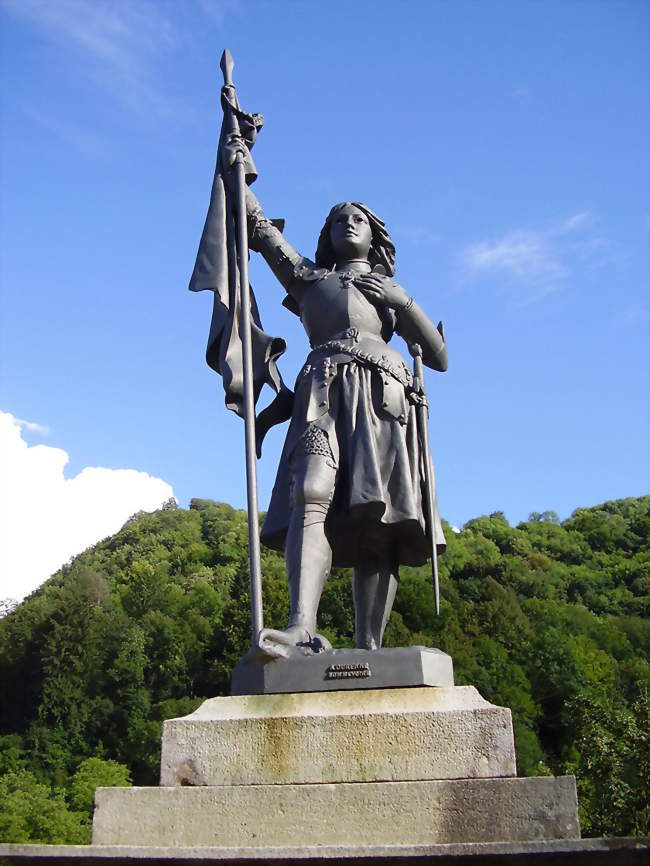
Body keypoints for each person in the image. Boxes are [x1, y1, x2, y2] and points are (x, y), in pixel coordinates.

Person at [237, 184, 448, 655]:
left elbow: (438, 356)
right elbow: (259, 230)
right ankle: (301, 627)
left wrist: (402, 300)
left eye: (358, 218)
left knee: (378, 514)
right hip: (323, 390)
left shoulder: (389, 291)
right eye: (338, 219)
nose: (348, 223)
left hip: (384, 399)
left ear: (374, 235)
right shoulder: (307, 278)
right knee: (308, 492)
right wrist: (237, 157)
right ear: (326, 235)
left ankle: (369, 644)